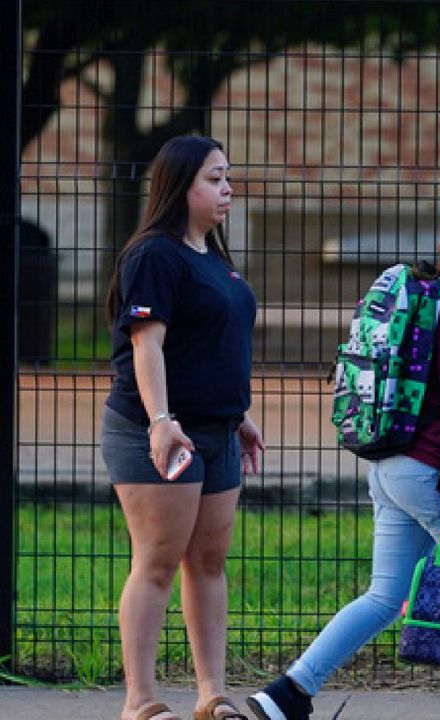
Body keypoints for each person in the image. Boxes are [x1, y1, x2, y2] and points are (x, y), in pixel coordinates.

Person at [247, 179, 440, 720]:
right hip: (436, 474)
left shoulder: (431, 300)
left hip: (390, 467)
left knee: (385, 596)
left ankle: (288, 693)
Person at [101, 135, 264, 720]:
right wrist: (162, 421)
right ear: (180, 187)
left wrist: (237, 414)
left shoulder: (211, 256)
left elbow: (213, 342)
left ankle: (211, 694)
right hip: (161, 430)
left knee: (209, 561)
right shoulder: (154, 254)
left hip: (218, 431)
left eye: (227, 177)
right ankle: (140, 700)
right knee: (158, 559)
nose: (227, 189)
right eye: (214, 179)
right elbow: (148, 346)